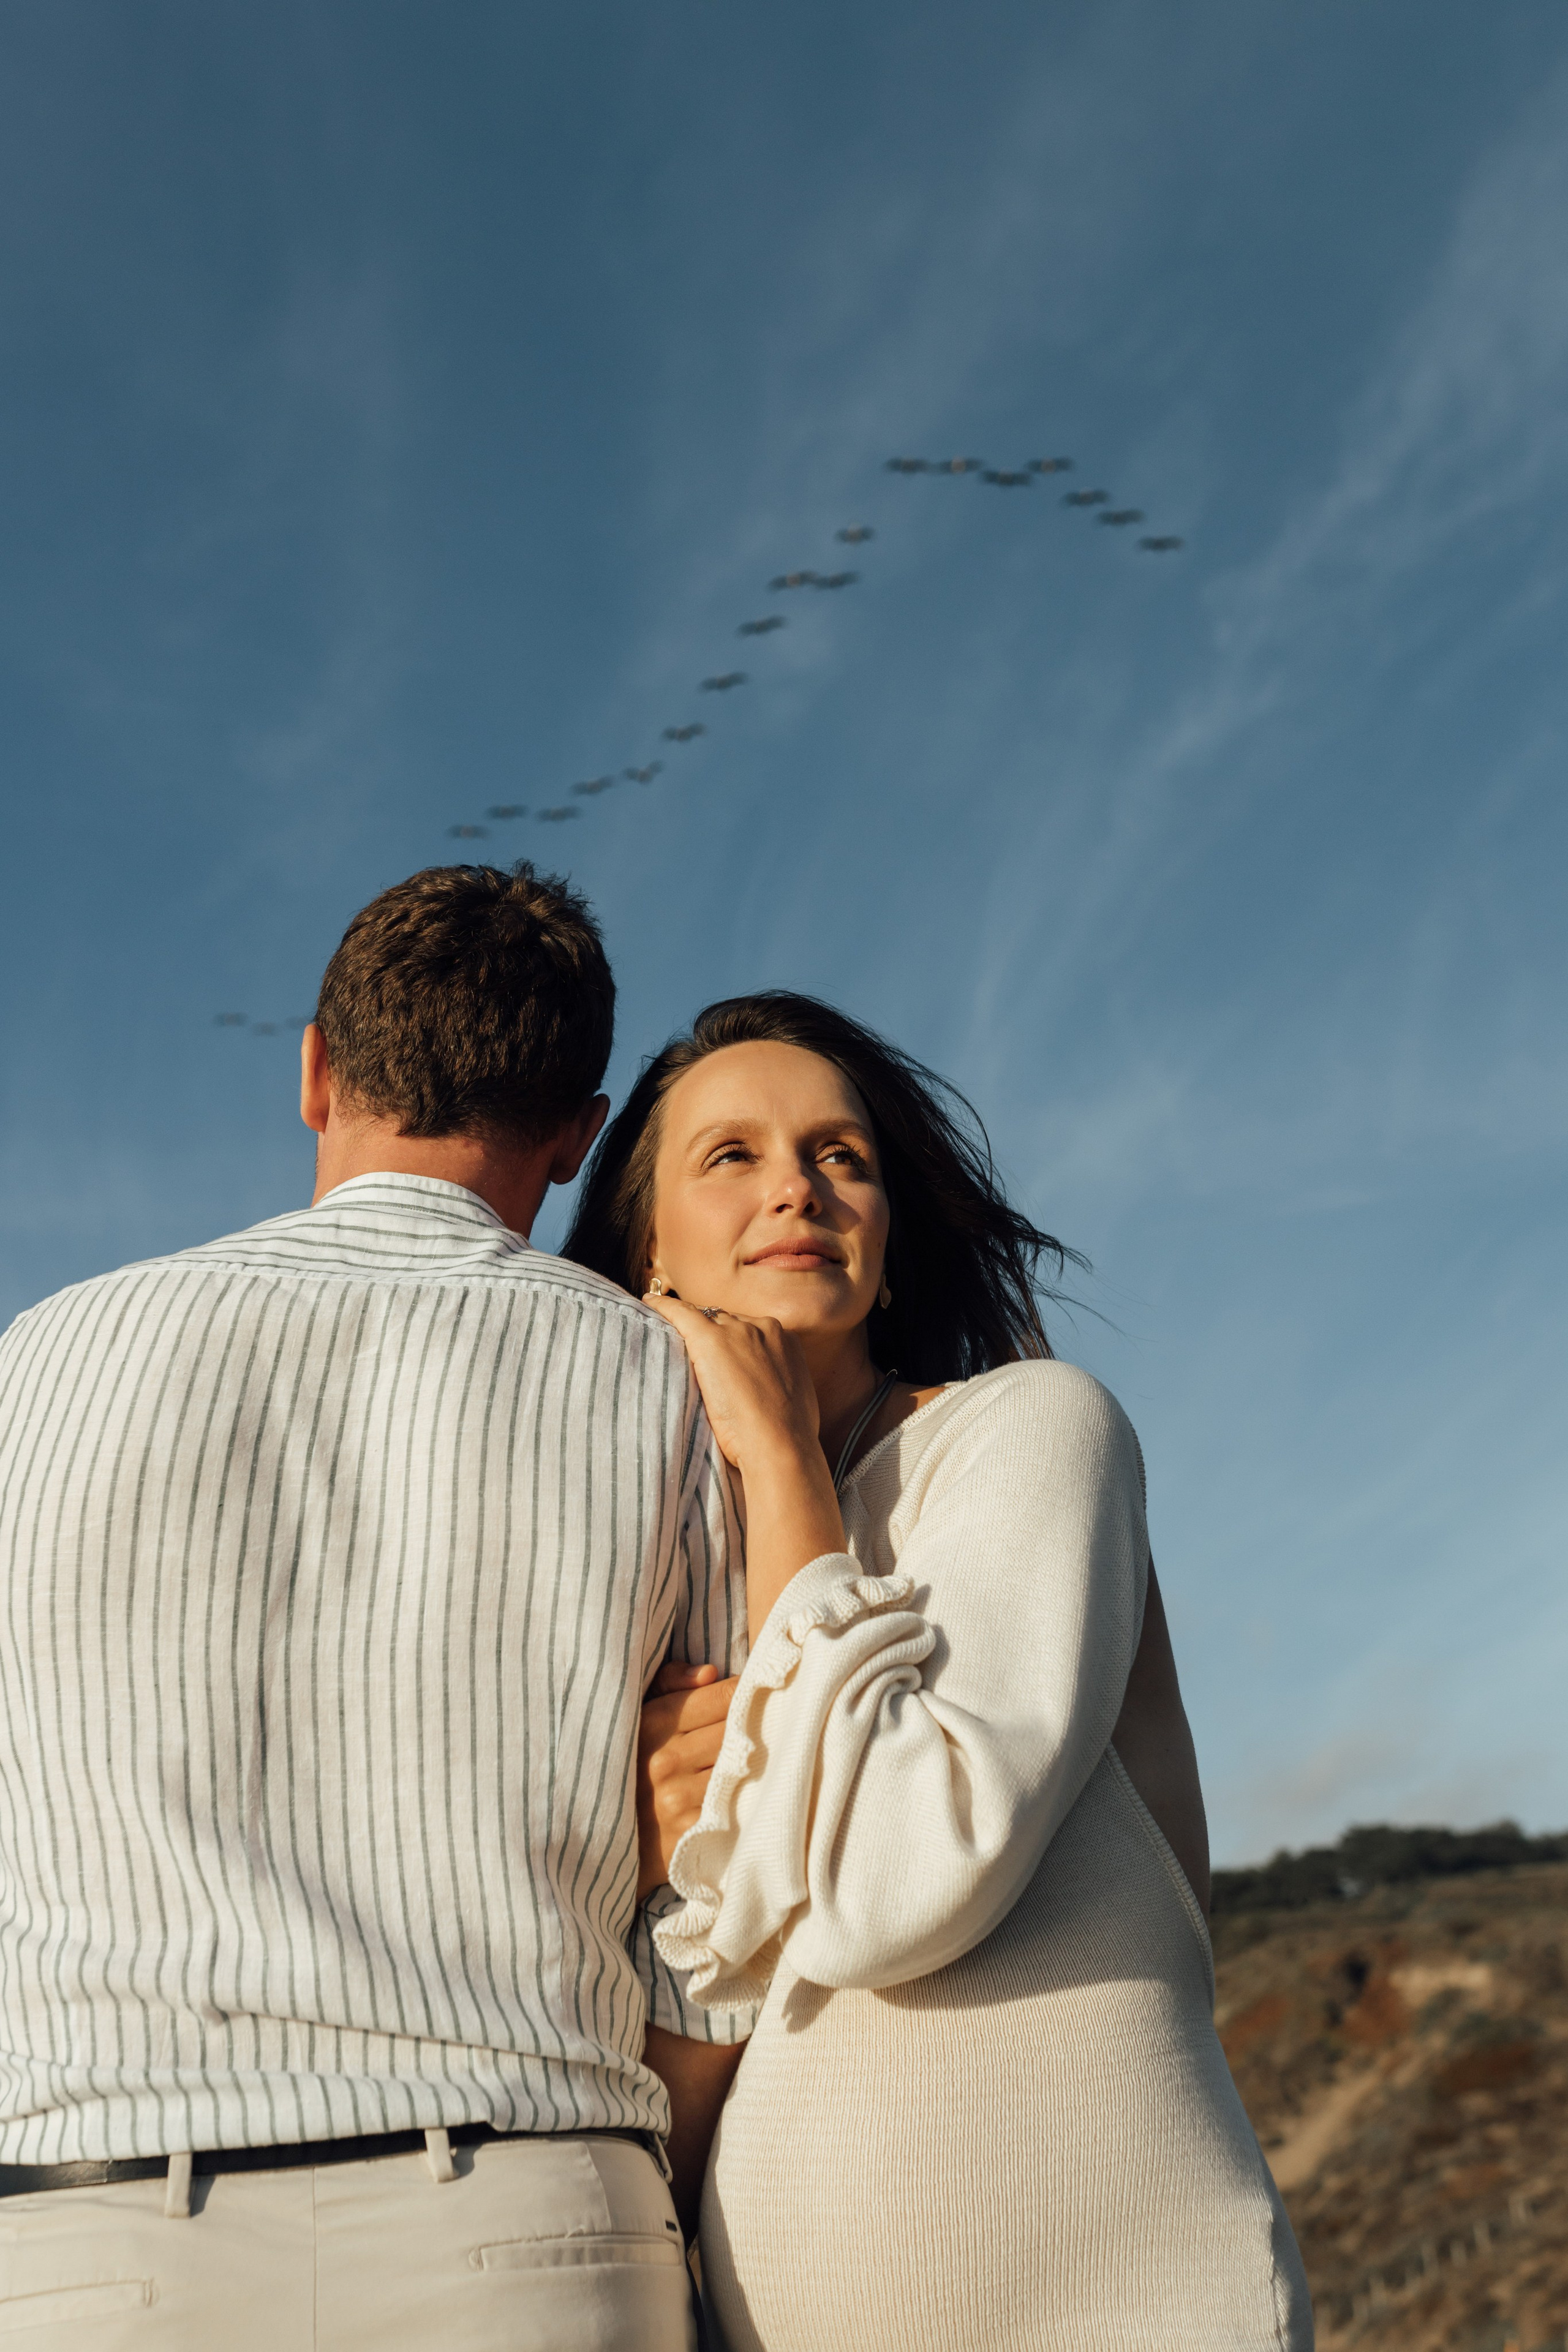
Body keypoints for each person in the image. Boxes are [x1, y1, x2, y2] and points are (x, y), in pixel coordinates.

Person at [0, 862, 748, 2352]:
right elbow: (722, 1882)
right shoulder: (666, 1383)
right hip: (532, 2213)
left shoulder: (38, 1363)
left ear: (315, 1069)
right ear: (578, 1135)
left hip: (95, 2241)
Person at [564, 990, 1314, 2352]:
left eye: (839, 1156)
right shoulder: (641, 1570)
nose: (795, 1184)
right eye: (729, 1155)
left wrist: (785, 1466)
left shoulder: (1029, 1432)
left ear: (890, 1242)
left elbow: (900, 1880)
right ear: (642, 1255)